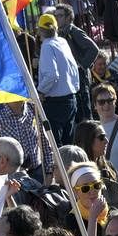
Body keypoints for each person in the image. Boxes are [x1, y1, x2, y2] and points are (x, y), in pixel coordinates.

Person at [37, 13, 80, 146]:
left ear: (39, 30)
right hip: (71, 98)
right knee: (69, 143)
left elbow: (51, 75)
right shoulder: (62, 42)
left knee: (56, 145)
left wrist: (40, 91)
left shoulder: (47, 46)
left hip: (56, 102)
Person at [0, 101, 53, 183]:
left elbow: (45, 142)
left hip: (38, 172)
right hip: (12, 176)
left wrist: (49, 172)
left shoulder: (33, 109)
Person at [55, 3, 99, 122]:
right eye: (55, 16)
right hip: (69, 76)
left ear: (69, 17)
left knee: (84, 112)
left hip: (79, 76)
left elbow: (94, 49)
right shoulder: (61, 32)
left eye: (60, 15)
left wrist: (81, 66)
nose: (56, 19)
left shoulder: (73, 31)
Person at [65, 161, 112, 236]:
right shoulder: (72, 218)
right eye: (85, 188)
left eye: (96, 185)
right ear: (75, 192)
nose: (92, 192)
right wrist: (93, 217)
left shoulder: (110, 212)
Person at [72, 121, 118, 210]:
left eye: (106, 136)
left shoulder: (108, 166)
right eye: (101, 137)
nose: (107, 141)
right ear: (87, 140)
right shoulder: (76, 172)